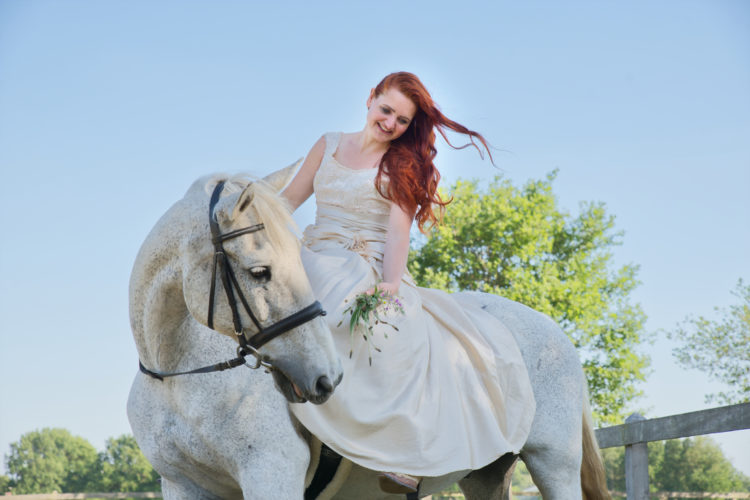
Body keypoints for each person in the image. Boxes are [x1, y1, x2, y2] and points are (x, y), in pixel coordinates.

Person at [281, 72, 535, 495]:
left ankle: (407, 453)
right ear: (370, 99)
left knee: (395, 335)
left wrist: (391, 284)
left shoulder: (402, 164)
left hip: (366, 263)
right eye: (386, 110)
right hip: (314, 253)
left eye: (401, 120)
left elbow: (398, 232)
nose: (390, 124)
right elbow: (289, 200)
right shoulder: (327, 144)